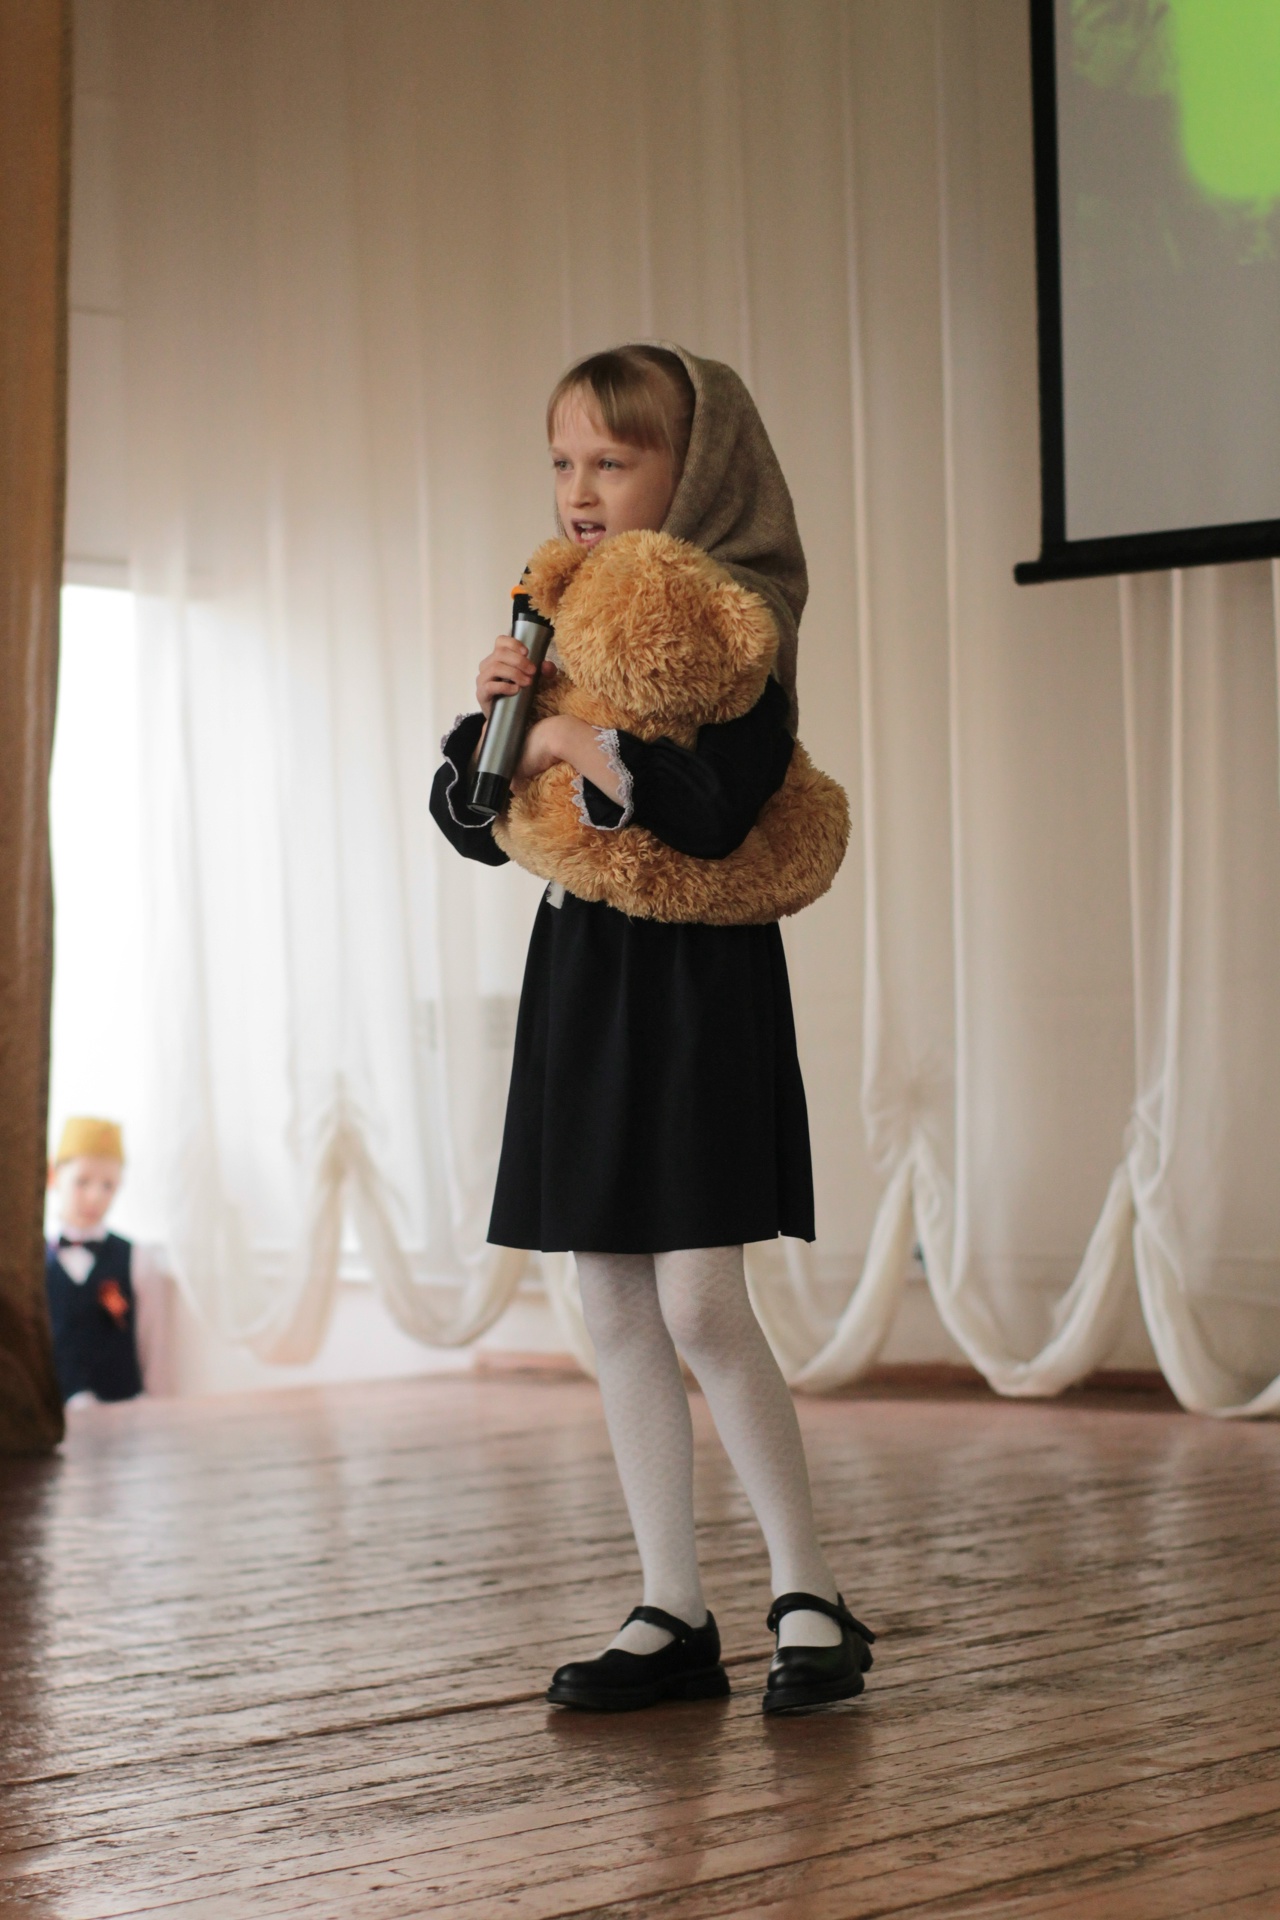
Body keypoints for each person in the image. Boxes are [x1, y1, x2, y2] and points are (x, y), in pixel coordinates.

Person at [430, 344, 874, 1714]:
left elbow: (710, 815)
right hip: (585, 977)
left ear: (699, 473)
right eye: (563, 462)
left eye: (613, 462)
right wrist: (510, 723)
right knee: (612, 1298)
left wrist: (578, 745)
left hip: (696, 987)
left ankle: (808, 1592)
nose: (580, 489)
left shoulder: (737, 639)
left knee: (698, 1299)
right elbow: (470, 819)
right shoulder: (550, 628)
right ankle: (671, 1606)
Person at [45, 1117, 158, 1406]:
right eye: (82, 1182)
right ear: (55, 1176)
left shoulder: (136, 1258)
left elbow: (153, 1342)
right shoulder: (34, 1261)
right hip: (55, 1411)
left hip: (124, 1409)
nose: (95, 1196)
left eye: (108, 1185)